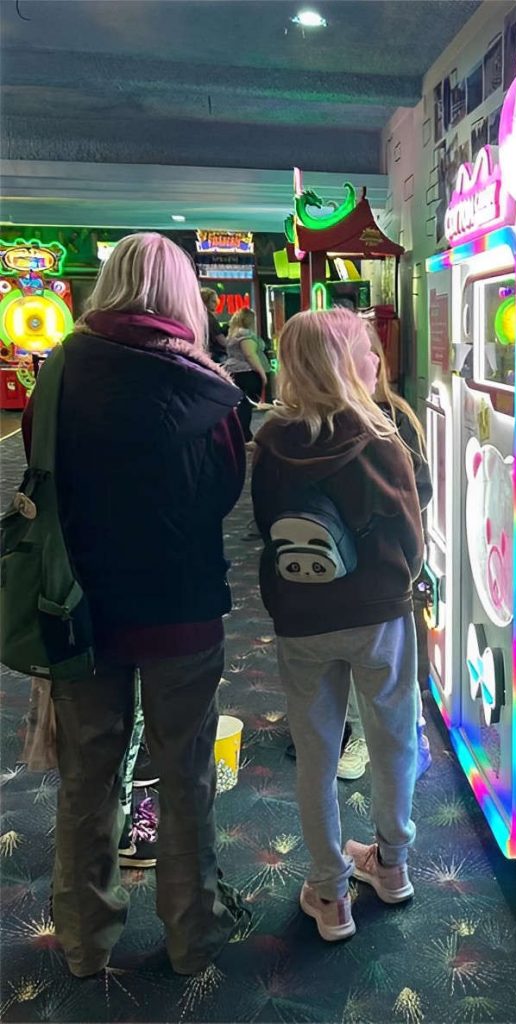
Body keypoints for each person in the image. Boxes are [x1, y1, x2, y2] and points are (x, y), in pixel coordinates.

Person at [23, 232, 248, 978]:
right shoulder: (208, 386)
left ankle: (86, 943)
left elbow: (41, 468)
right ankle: (193, 936)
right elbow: (222, 493)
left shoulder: (57, 373)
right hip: (182, 606)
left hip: (78, 608)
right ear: (181, 295)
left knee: (87, 776)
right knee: (185, 774)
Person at [251, 308, 423, 942]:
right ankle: (393, 863)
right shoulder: (380, 434)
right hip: (378, 612)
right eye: (368, 351)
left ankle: (329, 890)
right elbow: (410, 526)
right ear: (348, 363)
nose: (377, 360)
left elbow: (264, 528)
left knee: (316, 751)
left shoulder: (270, 443)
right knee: (392, 737)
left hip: (301, 618)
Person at [336, 329, 434, 783]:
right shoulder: (328, 419)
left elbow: (423, 488)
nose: (371, 365)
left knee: (398, 660)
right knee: (352, 656)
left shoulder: (396, 416)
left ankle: (411, 729)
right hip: (344, 568)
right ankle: (358, 730)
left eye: (373, 356)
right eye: (360, 357)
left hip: (392, 564)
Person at [224, 307, 268, 443]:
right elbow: (250, 354)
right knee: (245, 406)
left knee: (241, 405)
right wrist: (262, 373)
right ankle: (244, 436)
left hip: (235, 371)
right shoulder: (245, 334)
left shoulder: (234, 333)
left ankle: (241, 434)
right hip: (247, 372)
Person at [200, 287, 227, 363]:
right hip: (214, 355)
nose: (217, 304)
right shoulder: (210, 318)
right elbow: (222, 341)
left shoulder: (198, 316)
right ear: (205, 301)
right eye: (213, 301)